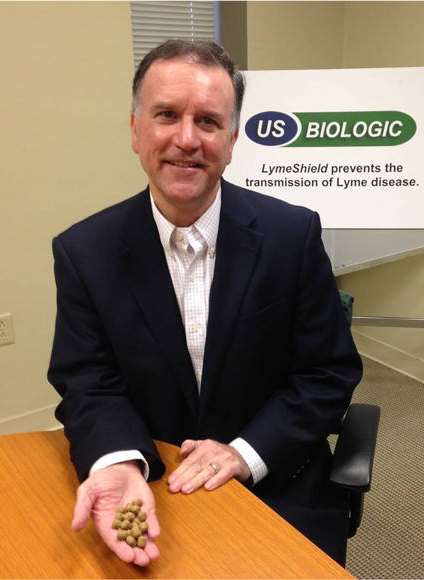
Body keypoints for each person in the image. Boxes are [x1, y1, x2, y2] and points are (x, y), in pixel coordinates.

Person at [48, 40, 362, 568]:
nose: (187, 139)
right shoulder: (83, 252)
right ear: (134, 129)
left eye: (209, 121)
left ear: (234, 139)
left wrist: (245, 453)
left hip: (275, 480)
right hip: (153, 483)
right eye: (166, 114)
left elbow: (328, 372)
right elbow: (87, 381)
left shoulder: (293, 235)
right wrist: (121, 463)